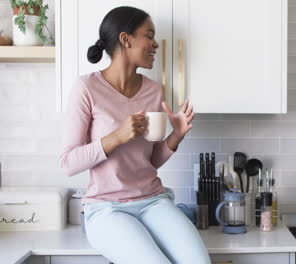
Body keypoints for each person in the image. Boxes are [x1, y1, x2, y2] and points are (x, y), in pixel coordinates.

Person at [60, 6, 210, 264]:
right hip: (106, 208)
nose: (156, 44)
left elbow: (151, 161)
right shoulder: (86, 88)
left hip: (154, 201)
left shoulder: (153, 91)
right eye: (149, 36)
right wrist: (118, 136)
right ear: (125, 39)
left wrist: (176, 135)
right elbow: (68, 163)